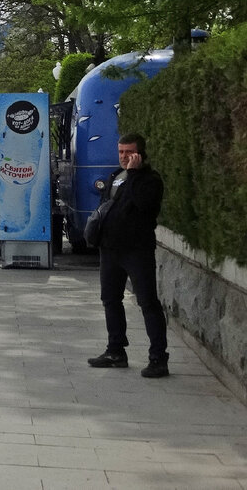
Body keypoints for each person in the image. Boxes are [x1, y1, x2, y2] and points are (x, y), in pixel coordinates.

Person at [87, 133, 170, 378]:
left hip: (137, 250)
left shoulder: (150, 180)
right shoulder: (115, 176)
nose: (124, 157)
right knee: (110, 300)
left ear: (140, 153)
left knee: (148, 303)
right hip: (111, 249)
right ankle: (116, 351)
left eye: (129, 152)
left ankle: (158, 358)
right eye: (121, 151)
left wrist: (133, 174)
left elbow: (144, 206)